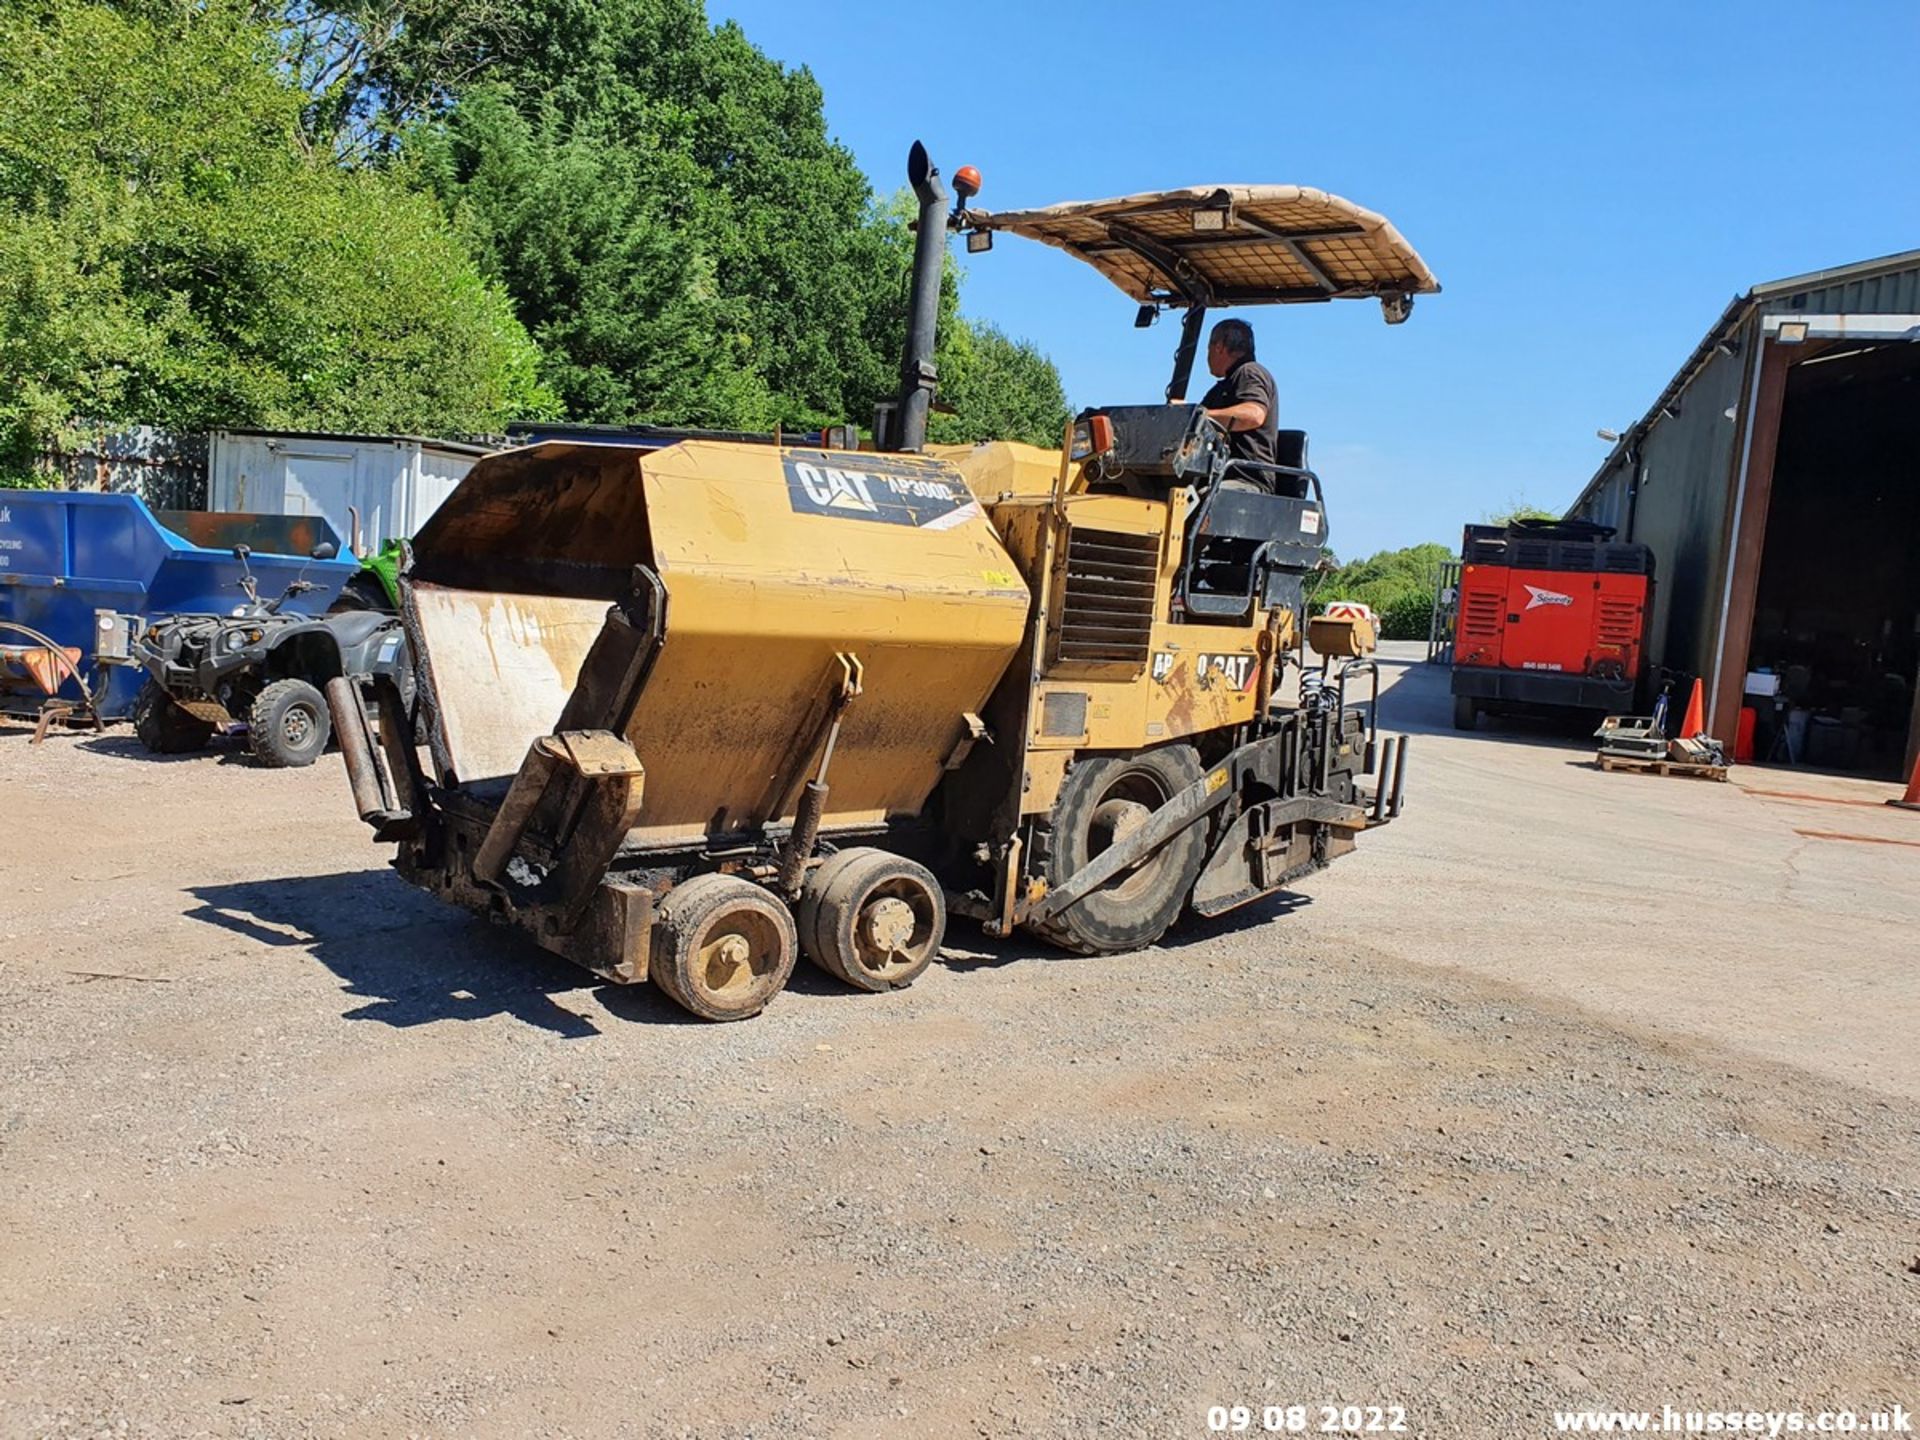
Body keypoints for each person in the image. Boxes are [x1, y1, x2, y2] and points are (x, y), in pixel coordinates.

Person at [1198, 318, 1280, 473]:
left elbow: (1254, 415)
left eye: (1208, 349)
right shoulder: (1221, 389)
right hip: (1217, 474)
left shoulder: (1249, 372)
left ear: (1219, 347)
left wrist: (1202, 416)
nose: (1207, 356)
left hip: (1245, 478)